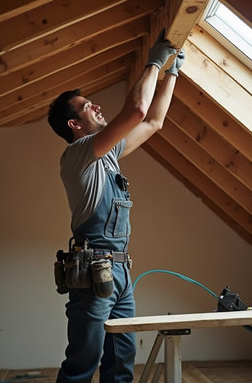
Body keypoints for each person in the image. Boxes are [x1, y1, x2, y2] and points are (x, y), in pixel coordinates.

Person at [47, 31, 185, 382]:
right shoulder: (77, 156)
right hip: (91, 273)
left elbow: (153, 122)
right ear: (74, 125)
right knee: (83, 363)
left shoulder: (108, 155)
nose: (95, 105)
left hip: (120, 273)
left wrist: (173, 73)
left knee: (121, 364)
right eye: (85, 106)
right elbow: (137, 111)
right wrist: (153, 61)